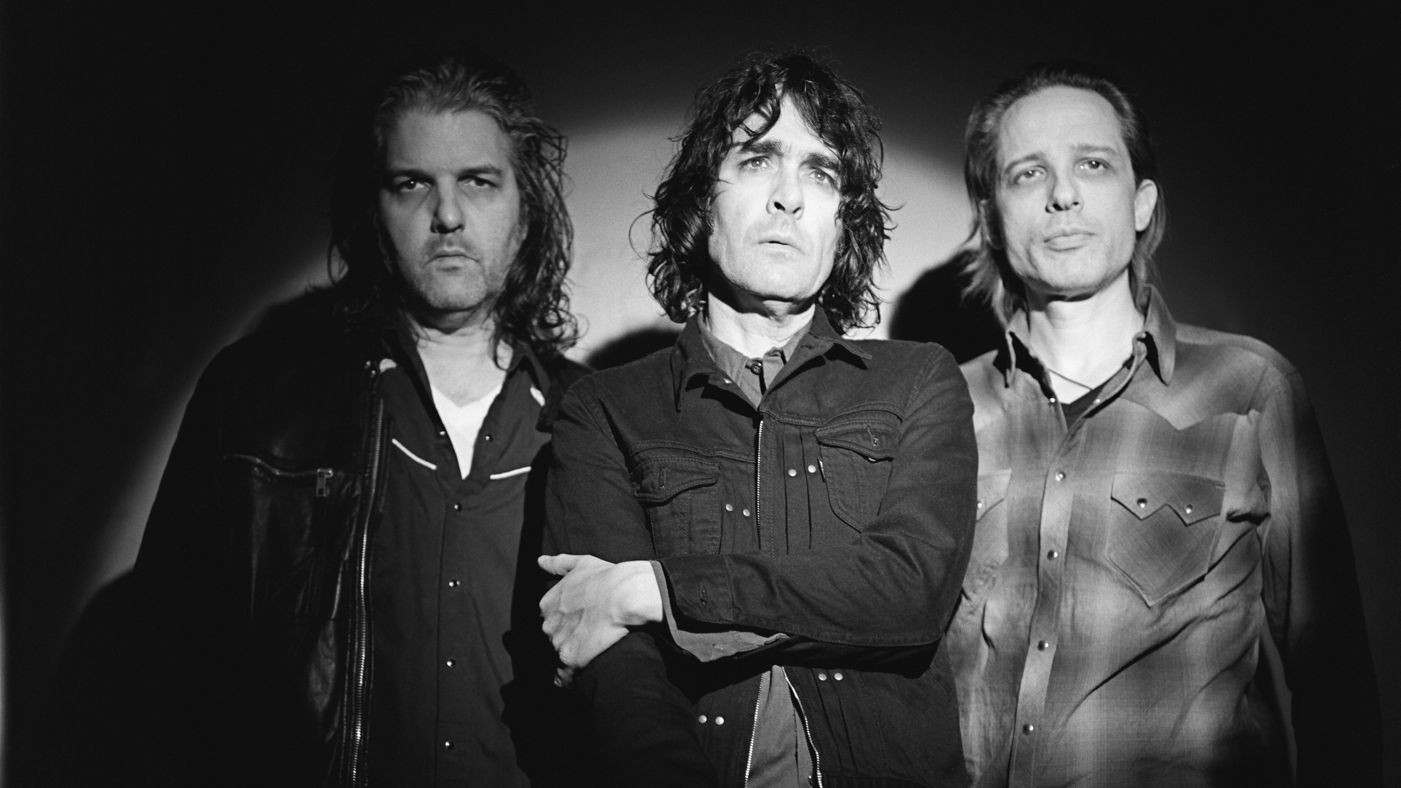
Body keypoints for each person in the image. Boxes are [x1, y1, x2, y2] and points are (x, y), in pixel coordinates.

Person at [127, 45, 588, 785]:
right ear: (375, 210)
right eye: (412, 184)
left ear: (525, 207)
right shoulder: (255, 397)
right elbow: (164, 667)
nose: (447, 215)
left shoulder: (588, 420)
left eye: (478, 181)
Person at [536, 50, 977, 786]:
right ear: (700, 202)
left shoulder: (920, 380)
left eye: (820, 173)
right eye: (757, 160)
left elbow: (910, 593)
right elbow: (614, 669)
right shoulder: (602, 408)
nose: (789, 198)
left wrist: (658, 590)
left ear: (844, 224)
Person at [947, 61, 1380, 786]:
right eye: (1028, 173)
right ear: (991, 217)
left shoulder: (1250, 389)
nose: (1062, 194)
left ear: (1141, 202)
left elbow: (1333, 678)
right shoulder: (943, 410)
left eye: (1092, 164)